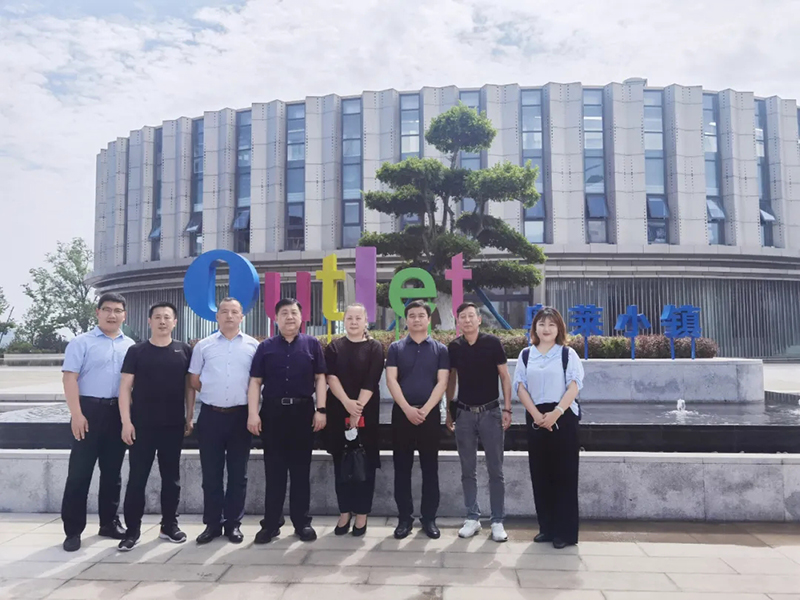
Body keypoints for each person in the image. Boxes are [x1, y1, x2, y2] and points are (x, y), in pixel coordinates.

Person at [60, 293, 135, 552]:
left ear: (124, 315)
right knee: (79, 474)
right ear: (98, 312)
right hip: (88, 412)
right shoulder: (81, 342)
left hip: (118, 413)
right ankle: (73, 531)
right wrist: (77, 414)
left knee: (112, 473)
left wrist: (128, 419)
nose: (112, 315)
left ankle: (109, 523)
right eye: (107, 309)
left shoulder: (130, 346)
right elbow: (69, 378)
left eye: (117, 310)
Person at [247, 298, 327, 544]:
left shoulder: (312, 344)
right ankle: (271, 524)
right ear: (276, 318)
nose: (289, 317)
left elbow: (320, 378)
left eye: (294, 313)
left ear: (301, 318)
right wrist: (253, 413)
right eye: (284, 313)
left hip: (303, 413)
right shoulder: (266, 347)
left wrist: (321, 410)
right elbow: (255, 382)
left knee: (301, 471)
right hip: (273, 413)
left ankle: (302, 523)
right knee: (274, 472)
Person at [117, 302, 194, 551]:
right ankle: (132, 530)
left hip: (173, 425)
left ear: (175, 322)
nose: (162, 321)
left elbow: (189, 387)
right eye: (157, 317)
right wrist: (126, 422)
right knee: (137, 479)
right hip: (142, 426)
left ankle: (169, 525)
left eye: (167, 317)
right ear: (149, 321)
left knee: (171, 479)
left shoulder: (184, 350)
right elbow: (124, 388)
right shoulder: (136, 351)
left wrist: (189, 416)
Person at [512, 306, 584, 549]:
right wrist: (536, 415)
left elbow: (574, 385)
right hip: (536, 417)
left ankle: (565, 532)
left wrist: (556, 413)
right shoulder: (526, 355)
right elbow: (520, 387)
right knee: (540, 474)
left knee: (565, 475)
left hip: (563, 416)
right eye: (542, 324)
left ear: (559, 328)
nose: (546, 329)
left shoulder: (567, 354)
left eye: (551, 324)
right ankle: (547, 528)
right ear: (534, 328)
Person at [189, 297, 259, 545]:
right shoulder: (203, 346)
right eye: (224, 311)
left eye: (234, 312)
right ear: (217, 316)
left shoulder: (253, 346)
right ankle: (212, 524)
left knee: (238, 474)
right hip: (211, 416)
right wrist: (213, 392)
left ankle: (233, 524)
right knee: (211, 474)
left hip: (241, 416)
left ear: (242, 317)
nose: (229, 316)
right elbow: (194, 380)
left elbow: (257, 381)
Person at [446, 302, 512, 543]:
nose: (467, 320)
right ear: (458, 322)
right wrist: (449, 411)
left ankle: (497, 520)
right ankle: (472, 517)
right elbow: (451, 380)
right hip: (464, 414)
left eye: (471, 316)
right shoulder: (454, 347)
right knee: (467, 470)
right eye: (462, 317)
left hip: (491, 412)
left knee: (496, 469)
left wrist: (507, 408)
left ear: (479, 319)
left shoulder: (492, 343)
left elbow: (505, 376)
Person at [386, 299, 449, 540]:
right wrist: (407, 409)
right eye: (411, 315)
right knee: (402, 468)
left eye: (421, 315)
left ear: (428, 319)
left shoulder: (440, 350)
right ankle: (404, 519)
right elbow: (391, 380)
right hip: (402, 415)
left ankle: (429, 519)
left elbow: (442, 382)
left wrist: (425, 409)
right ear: (406, 320)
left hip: (429, 415)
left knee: (430, 468)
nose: (416, 319)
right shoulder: (395, 348)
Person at [323, 303, 385, 537]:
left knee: (365, 465)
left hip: (366, 412)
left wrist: (356, 410)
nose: (354, 322)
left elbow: (372, 379)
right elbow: (331, 377)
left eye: (358, 318)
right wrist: (347, 403)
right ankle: (344, 512)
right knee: (341, 464)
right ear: (344, 320)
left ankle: (362, 514)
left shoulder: (375, 347)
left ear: (366, 321)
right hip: (338, 411)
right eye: (349, 318)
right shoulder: (334, 347)